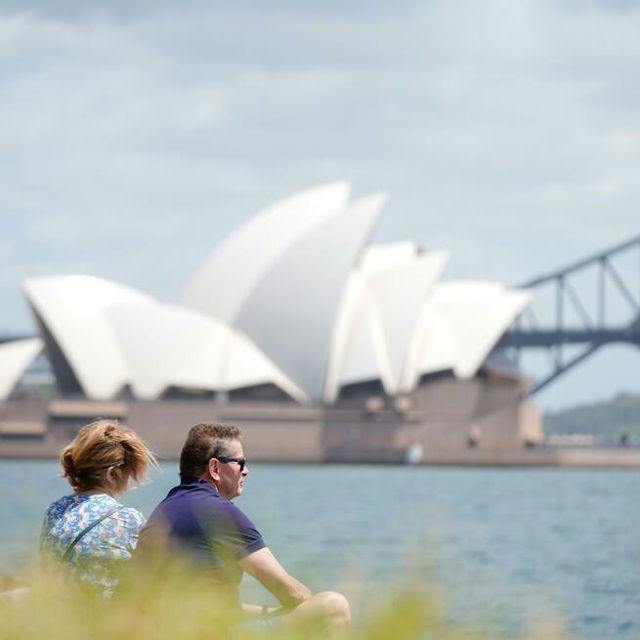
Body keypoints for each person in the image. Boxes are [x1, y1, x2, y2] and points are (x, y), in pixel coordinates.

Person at [136, 422, 350, 637]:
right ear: (215, 468)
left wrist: (274, 613)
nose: (245, 471)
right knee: (333, 607)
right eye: (240, 463)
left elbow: (217, 609)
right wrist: (305, 608)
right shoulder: (218, 512)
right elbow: (293, 594)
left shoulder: (165, 508)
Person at [40, 419, 155, 596]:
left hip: (58, 615)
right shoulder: (128, 520)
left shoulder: (54, 511)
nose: (128, 478)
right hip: (105, 620)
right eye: (128, 470)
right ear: (111, 474)